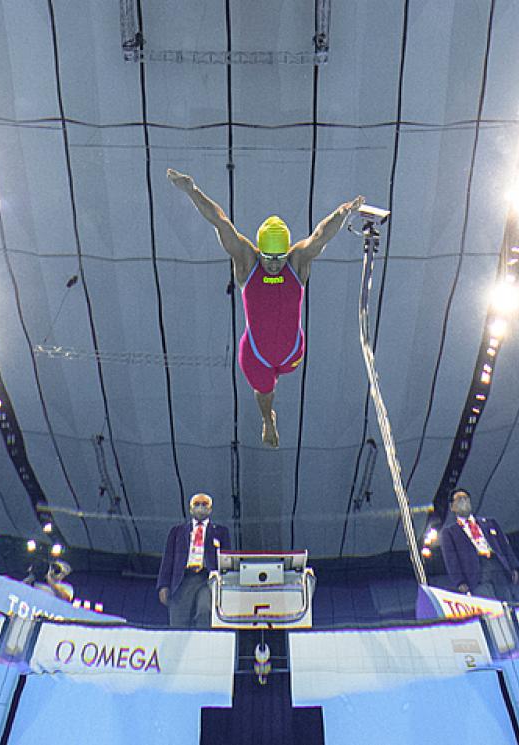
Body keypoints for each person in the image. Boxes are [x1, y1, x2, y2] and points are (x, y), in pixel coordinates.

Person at [168, 168, 363, 447]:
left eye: (279, 258)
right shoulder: (247, 262)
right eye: (269, 257)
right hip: (256, 354)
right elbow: (222, 223)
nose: (273, 264)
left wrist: (342, 213)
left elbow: (320, 235)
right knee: (264, 393)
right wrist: (191, 190)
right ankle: (267, 421)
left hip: (292, 349)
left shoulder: (297, 262)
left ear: (287, 252)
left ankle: (269, 408)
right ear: (260, 250)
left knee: (278, 376)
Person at [156, 492, 230, 628]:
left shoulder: (220, 532)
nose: (200, 507)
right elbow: (168, 559)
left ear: (210, 509)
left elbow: (227, 559)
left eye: (204, 504)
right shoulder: (177, 531)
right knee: (179, 621)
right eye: (197, 504)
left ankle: (202, 645)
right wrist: (163, 585)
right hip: (182, 579)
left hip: (206, 579)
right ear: (190, 509)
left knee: (205, 611)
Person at [440, 489, 519, 600]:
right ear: (452, 507)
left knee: (508, 600)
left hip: (497, 565)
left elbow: (504, 546)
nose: (463, 501)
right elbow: (451, 560)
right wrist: (459, 581)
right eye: (459, 499)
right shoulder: (449, 532)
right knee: (490, 608)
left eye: (465, 498)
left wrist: (514, 566)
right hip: (476, 573)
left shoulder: (489, 522)